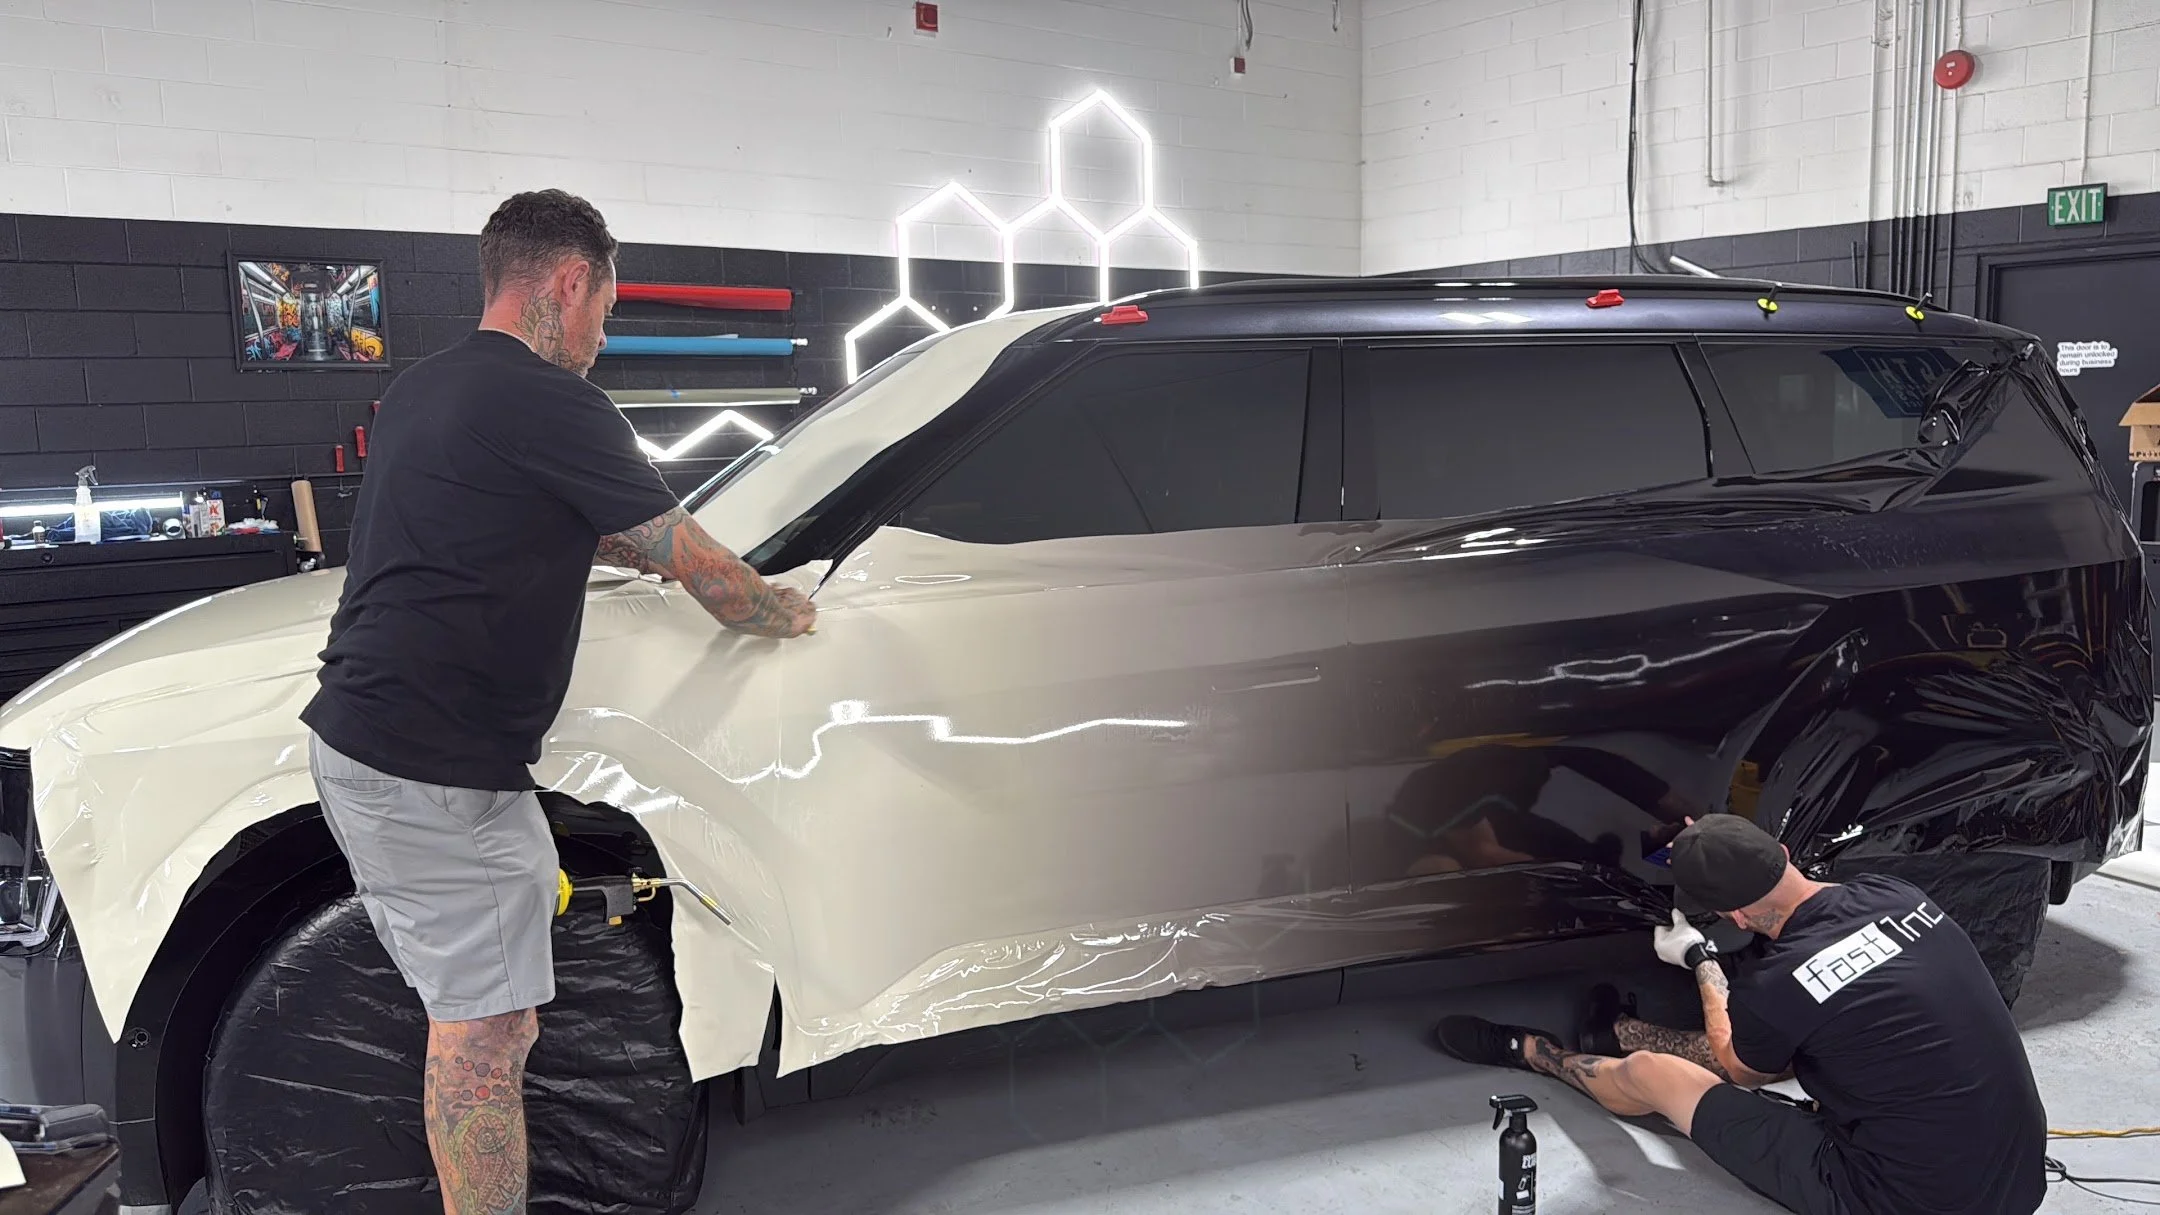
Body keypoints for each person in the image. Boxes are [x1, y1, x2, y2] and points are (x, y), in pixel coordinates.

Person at [302, 189, 816, 1215]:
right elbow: (718, 583)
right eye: (606, 312)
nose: (602, 337)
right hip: (435, 771)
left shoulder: (423, 390)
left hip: (362, 741)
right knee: (483, 1040)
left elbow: (550, 520)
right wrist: (790, 610)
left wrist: (642, 552)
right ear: (570, 283)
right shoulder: (555, 401)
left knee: (480, 1020)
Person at [1434, 813, 2046, 1215]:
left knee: (1654, 1073)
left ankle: (1533, 1053)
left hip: (1896, 1201)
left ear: (1735, 917)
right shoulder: (1897, 894)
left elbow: (1738, 1068)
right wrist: (1714, 842)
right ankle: (1617, 1031)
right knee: (1814, 1041)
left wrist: (1700, 960)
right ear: (1782, 852)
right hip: (2017, 1180)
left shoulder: (1779, 981)